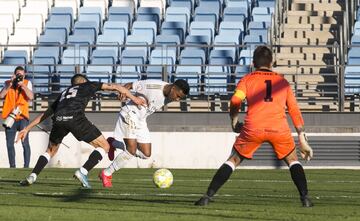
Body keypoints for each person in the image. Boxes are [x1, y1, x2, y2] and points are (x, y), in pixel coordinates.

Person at [194, 46, 314, 207]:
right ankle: (305, 198)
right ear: (271, 63)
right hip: (278, 128)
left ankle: (207, 197)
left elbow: (235, 100)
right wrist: (302, 138)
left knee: (233, 160)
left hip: (253, 127)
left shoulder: (247, 80)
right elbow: (294, 109)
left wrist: (234, 121)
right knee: (293, 160)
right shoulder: (283, 82)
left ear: (253, 63)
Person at [16, 74, 146, 188]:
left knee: (50, 151)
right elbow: (116, 86)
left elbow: (46, 114)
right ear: (83, 81)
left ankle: (33, 175)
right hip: (76, 118)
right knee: (104, 146)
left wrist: (27, 128)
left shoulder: (64, 93)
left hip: (59, 119)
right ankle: (83, 172)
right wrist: (135, 99)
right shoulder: (88, 85)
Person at [99, 79, 190, 188]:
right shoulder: (153, 86)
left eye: (180, 98)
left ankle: (113, 143)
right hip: (130, 113)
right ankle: (106, 173)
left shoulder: (171, 95)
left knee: (146, 154)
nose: (177, 99)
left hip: (141, 120)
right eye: (177, 95)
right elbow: (129, 84)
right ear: (173, 88)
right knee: (131, 151)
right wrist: (122, 94)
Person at [0, 66, 34, 168]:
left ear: (24, 75)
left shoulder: (27, 83)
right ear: (14, 74)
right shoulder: (7, 83)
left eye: (21, 75)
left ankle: (26, 166)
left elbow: (31, 97)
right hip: (10, 117)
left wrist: (23, 85)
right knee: (10, 144)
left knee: (25, 143)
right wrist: (10, 85)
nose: (19, 76)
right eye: (17, 74)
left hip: (22, 116)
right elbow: (1, 96)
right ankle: (12, 166)